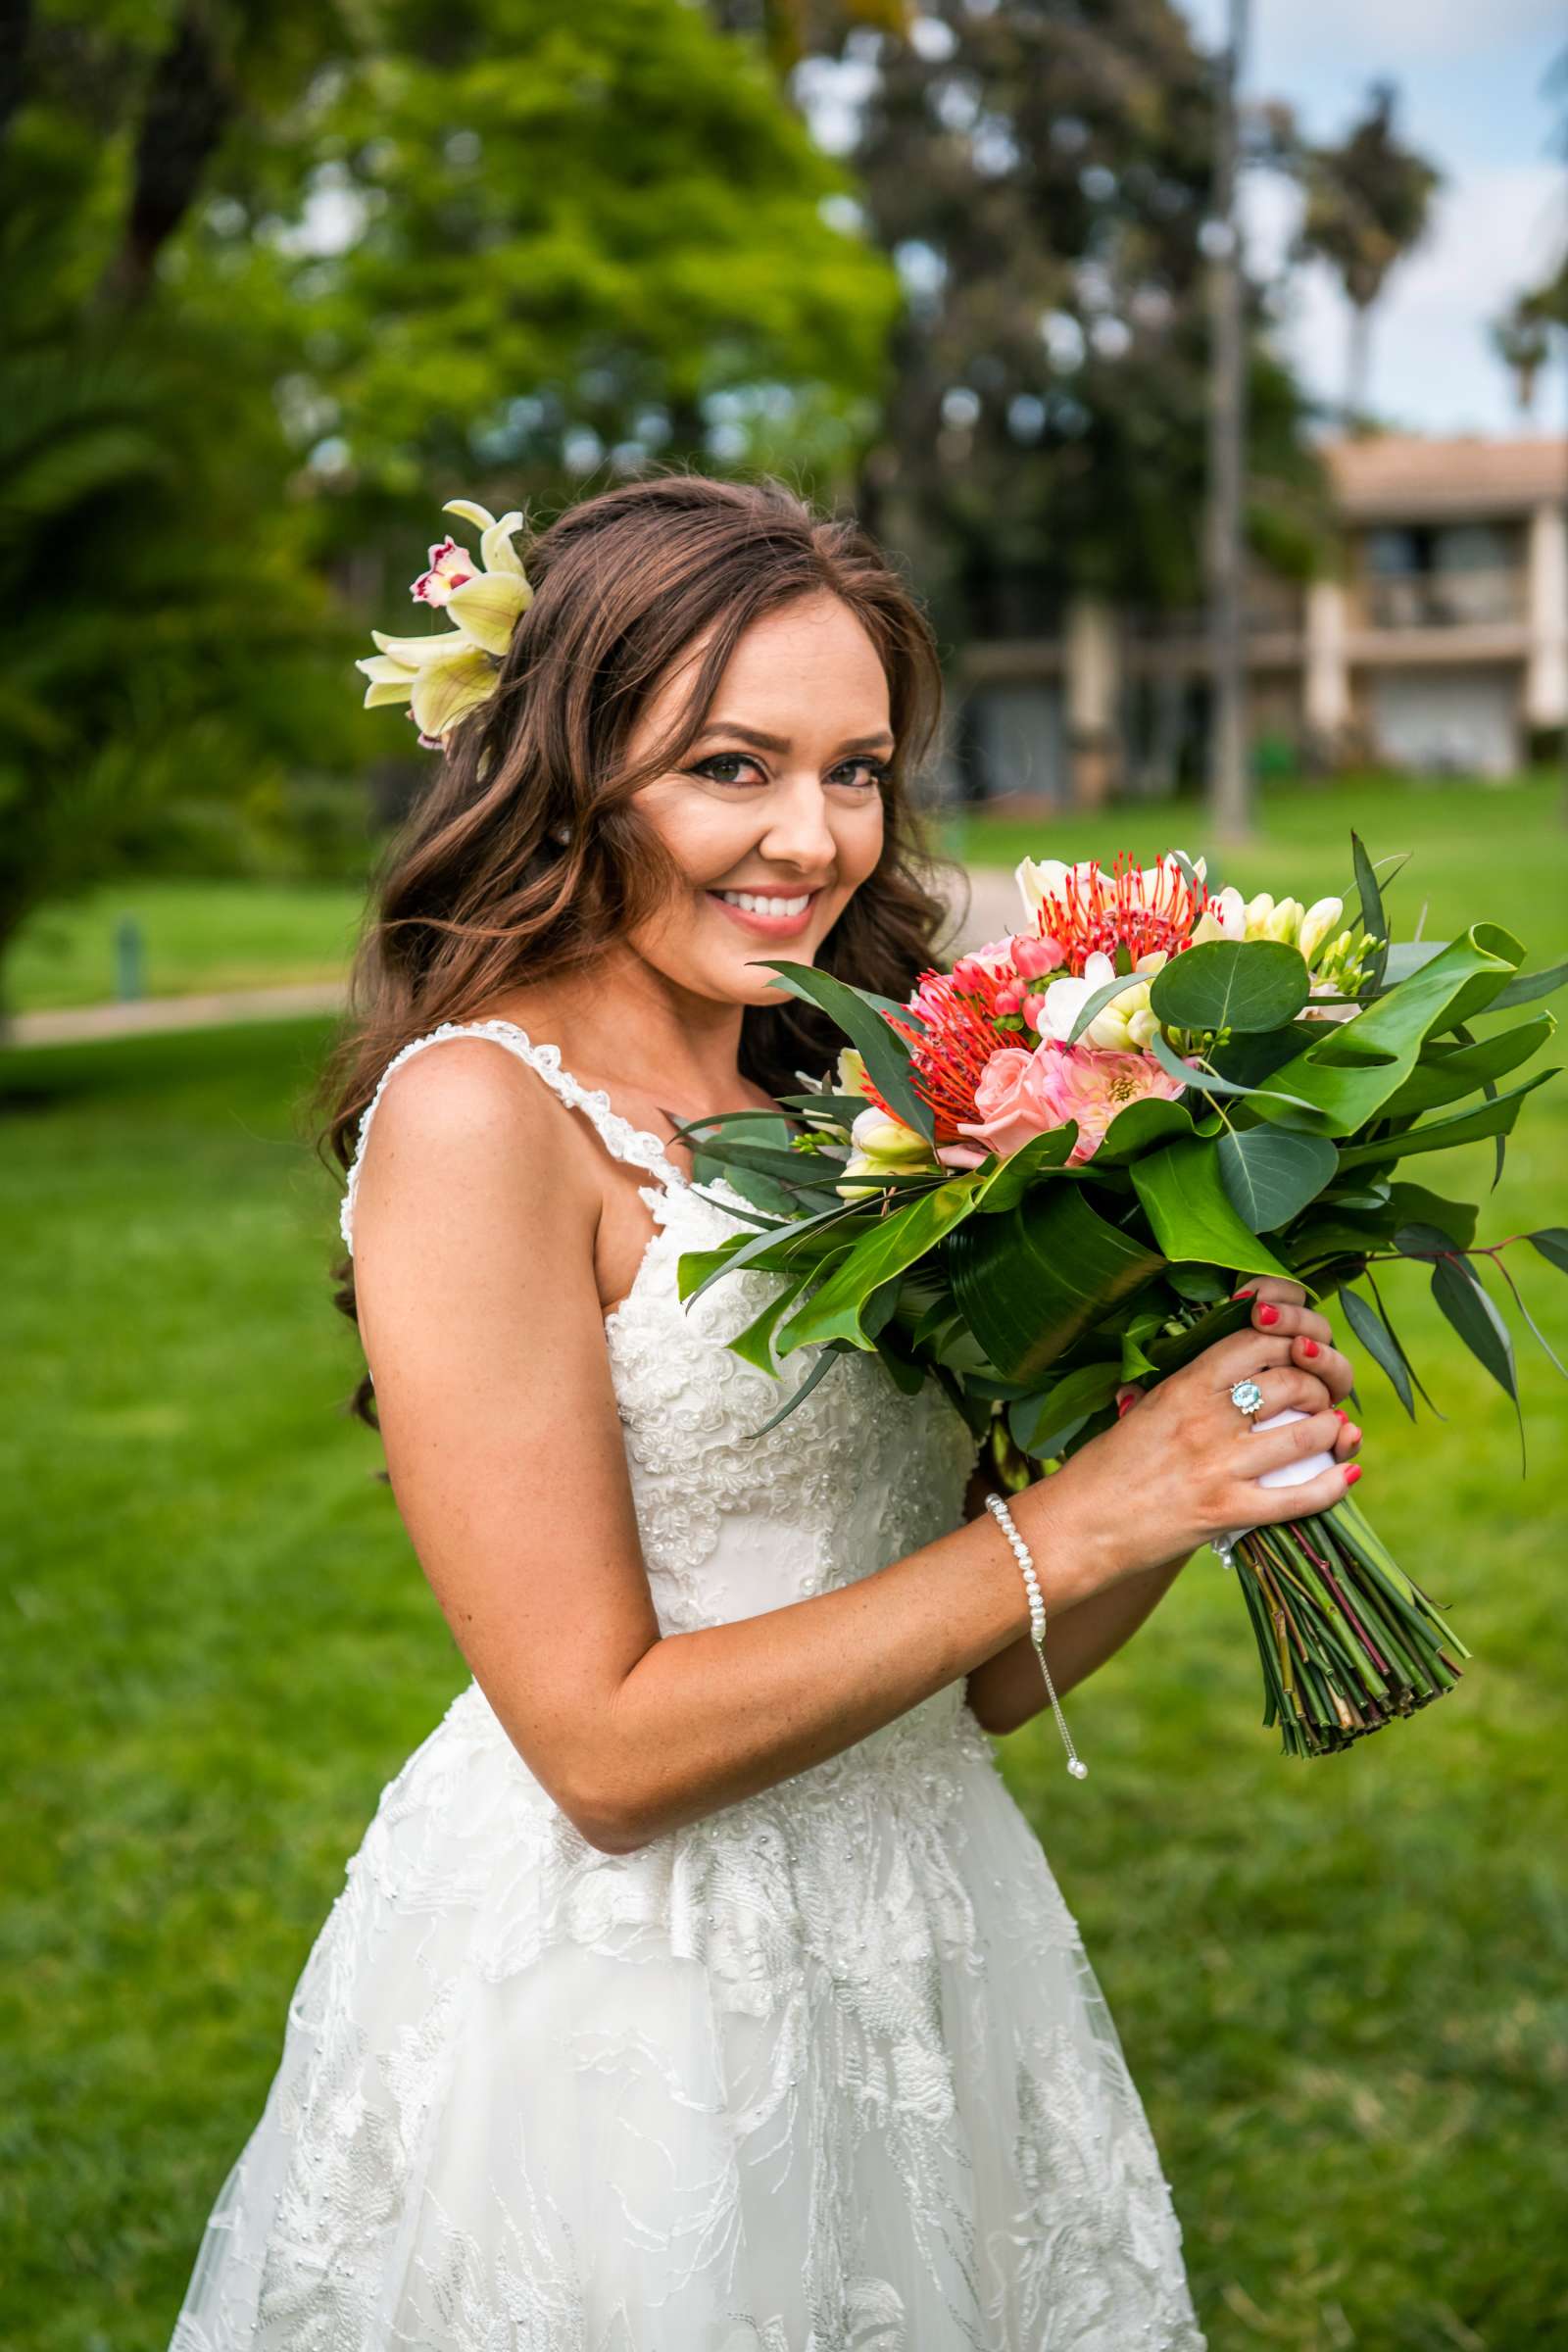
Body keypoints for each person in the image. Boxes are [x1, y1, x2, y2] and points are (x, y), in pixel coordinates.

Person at [169, 474, 1361, 2350]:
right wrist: (1088, 1514)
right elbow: (606, 1751)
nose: (810, 836)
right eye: (732, 765)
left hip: (926, 1923)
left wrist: (1188, 1470)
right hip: (638, 1992)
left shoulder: (852, 1098)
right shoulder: (482, 1120)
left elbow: (982, 1669)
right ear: (572, 767)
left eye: (857, 769)